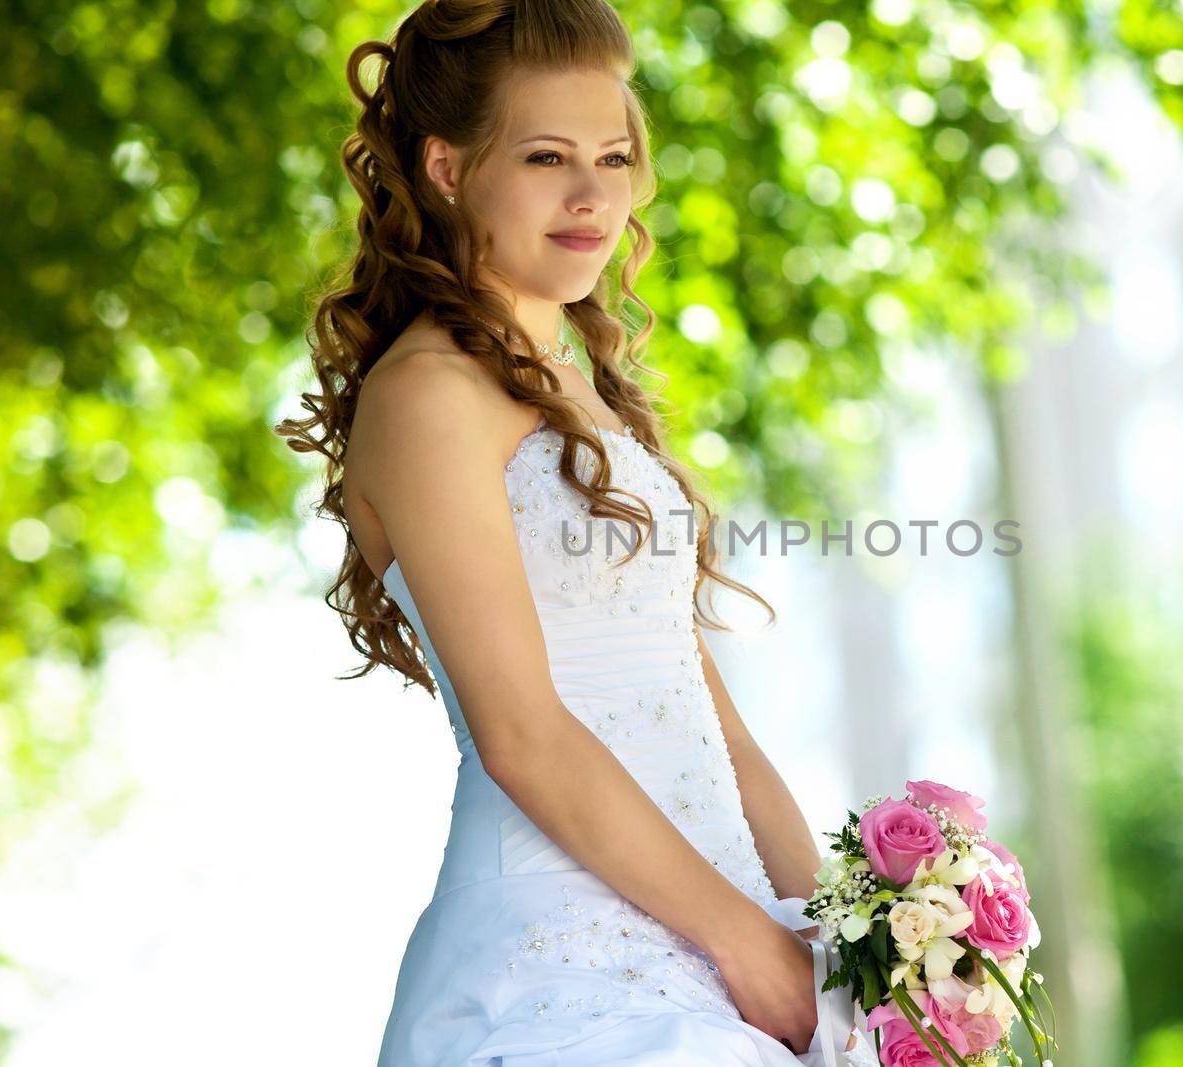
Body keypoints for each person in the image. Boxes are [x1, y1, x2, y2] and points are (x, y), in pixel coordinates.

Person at [274, 1, 877, 1064]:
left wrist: (852, 957)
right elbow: (522, 731)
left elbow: (716, 728)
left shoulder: (592, 394)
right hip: (564, 971)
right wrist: (748, 946)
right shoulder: (425, 396)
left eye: (614, 156)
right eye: (548, 156)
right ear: (448, 167)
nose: (593, 194)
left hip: (719, 937)